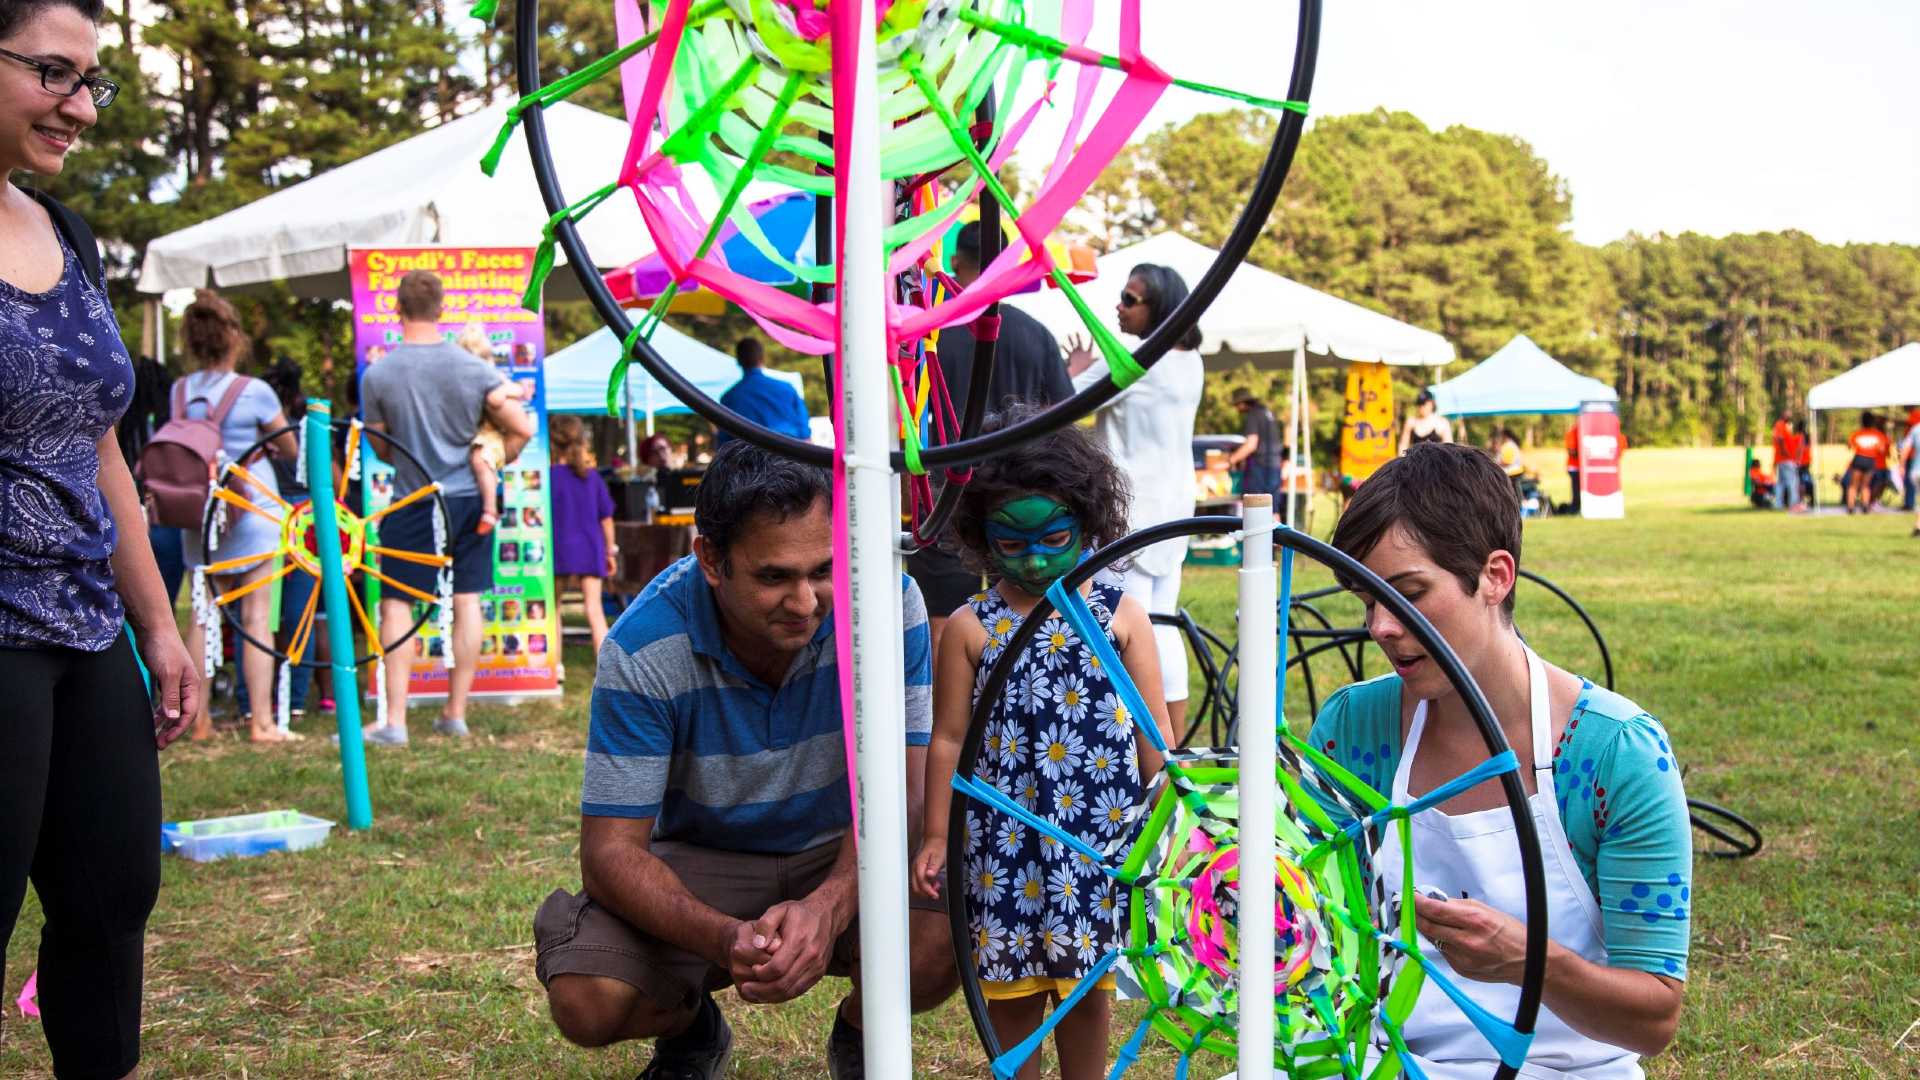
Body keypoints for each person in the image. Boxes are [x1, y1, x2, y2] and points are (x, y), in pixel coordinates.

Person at [533, 441, 957, 1079]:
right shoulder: (645, 645)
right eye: (773, 577)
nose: (807, 602)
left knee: (957, 922)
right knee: (587, 998)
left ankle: (863, 1033)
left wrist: (830, 907)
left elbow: (908, 790)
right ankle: (692, 1030)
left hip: (843, 845)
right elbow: (610, 854)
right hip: (705, 862)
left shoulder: (888, 603)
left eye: (823, 569)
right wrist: (726, 940)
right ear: (710, 559)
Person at [1312, 443, 1690, 1078]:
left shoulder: (1614, 755)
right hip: (1381, 1063)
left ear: (1495, 575)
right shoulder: (1353, 728)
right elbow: (1320, 935)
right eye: (1366, 598)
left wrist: (1529, 960)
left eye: (1407, 593)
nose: (1379, 625)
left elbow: (1652, 1020)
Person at [1, 2, 200, 1073]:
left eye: (91, 81)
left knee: (113, 895)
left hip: (85, 628)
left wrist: (158, 629)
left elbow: (104, 449)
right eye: (52, 73)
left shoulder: (63, 231)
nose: (79, 106)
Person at [913, 412, 1173, 1079]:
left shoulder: (1121, 614)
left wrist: (1170, 827)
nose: (1033, 558)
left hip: (1097, 847)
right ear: (978, 537)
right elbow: (948, 740)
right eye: (1011, 543)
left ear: (1089, 525)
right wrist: (937, 836)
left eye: (1055, 538)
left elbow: (1155, 740)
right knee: (1009, 990)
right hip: (1002, 849)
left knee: (1087, 993)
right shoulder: (971, 627)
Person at [361, 269, 534, 743]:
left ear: (398, 309)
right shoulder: (474, 369)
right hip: (469, 501)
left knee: (396, 605)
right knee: (467, 600)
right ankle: (454, 713)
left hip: (411, 501)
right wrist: (493, 458)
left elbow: (380, 447)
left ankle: (394, 720)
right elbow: (521, 428)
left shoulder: (378, 373)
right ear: (441, 310)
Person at [910, 219, 1076, 658]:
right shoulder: (1036, 334)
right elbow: (1066, 419)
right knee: (1028, 604)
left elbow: (905, 415)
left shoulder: (931, 336)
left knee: (943, 615)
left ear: (955, 264)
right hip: (1026, 497)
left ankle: (950, 717)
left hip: (948, 494)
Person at [1065, 263, 1204, 741]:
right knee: (1160, 623)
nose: (1118, 307)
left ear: (1158, 307)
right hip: (1175, 508)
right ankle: (1175, 744)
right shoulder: (1191, 363)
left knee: (1127, 626)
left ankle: (1142, 745)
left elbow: (1062, 406)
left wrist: (1076, 370)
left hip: (1131, 510)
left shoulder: (1133, 359)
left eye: (1129, 298)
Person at [174, 290, 301, 742]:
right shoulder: (256, 392)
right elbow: (290, 449)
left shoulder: (180, 390)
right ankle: (261, 723)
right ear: (234, 339)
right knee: (256, 615)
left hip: (201, 513)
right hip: (252, 509)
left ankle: (199, 721)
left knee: (202, 616)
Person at [548, 414, 616, 658]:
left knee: (552, 609)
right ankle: (607, 670)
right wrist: (611, 550)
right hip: (590, 547)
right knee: (594, 609)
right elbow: (606, 518)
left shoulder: (546, 478)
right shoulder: (592, 477)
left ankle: (555, 667)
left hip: (557, 549)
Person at [454, 321, 525, 535]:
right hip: (475, 437)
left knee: (481, 460)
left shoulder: (492, 377)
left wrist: (501, 393)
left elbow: (515, 390)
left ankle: (489, 510)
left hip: (489, 436)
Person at [716, 337, 809, 444]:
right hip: (786, 454)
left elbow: (724, 442)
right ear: (762, 358)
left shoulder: (728, 398)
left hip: (747, 458)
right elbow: (804, 432)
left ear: (738, 361)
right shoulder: (787, 389)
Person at [1226, 386, 1285, 502]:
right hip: (1275, 465)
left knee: (1255, 507)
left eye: (1236, 405)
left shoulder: (1252, 414)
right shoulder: (1266, 412)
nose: (1237, 409)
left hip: (1260, 467)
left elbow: (1251, 444)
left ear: (1242, 403)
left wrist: (1230, 460)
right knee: (1273, 509)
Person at [1844, 410, 1890, 514]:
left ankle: (1850, 506)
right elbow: (1882, 449)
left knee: (1853, 485)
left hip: (1859, 458)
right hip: (1870, 460)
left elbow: (1849, 446)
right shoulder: (1878, 435)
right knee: (1866, 485)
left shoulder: (1857, 434)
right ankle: (1865, 506)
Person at [1399, 388, 1452, 454]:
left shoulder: (1442, 423)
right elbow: (1403, 445)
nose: (1421, 407)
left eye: (1423, 404)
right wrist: (1403, 461)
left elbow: (1449, 450)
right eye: (1419, 404)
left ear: (1431, 403)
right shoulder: (1411, 422)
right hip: (1415, 462)